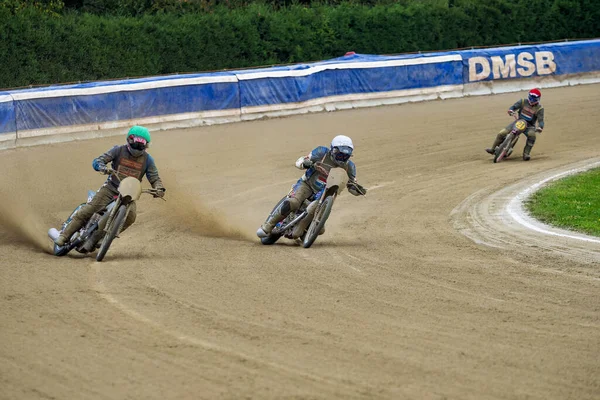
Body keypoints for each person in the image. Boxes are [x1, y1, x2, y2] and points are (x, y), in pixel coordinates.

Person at [54, 126, 165, 246]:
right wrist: (101, 166)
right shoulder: (118, 150)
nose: (138, 146)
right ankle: (64, 235)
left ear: (146, 145)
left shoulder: (148, 160)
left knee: (130, 217)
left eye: (141, 144)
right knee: (89, 209)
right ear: (130, 139)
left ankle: (105, 237)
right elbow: (99, 160)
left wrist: (159, 189)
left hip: (130, 194)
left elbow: (155, 178)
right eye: (136, 142)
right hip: (111, 188)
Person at [256, 135, 367, 238]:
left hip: (325, 194)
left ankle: (303, 230)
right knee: (293, 202)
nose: (342, 158)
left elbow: (352, 184)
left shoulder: (350, 166)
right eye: (340, 154)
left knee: (321, 230)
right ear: (333, 150)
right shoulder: (321, 152)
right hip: (307, 184)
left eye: (345, 156)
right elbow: (300, 161)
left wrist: (357, 190)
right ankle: (268, 226)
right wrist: (306, 163)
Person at [485, 88, 545, 161]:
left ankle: (526, 154)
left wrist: (540, 127)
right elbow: (514, 107)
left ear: (538, 99)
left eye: (534, 99)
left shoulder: (540, 108)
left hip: (529, 126)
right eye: (531, 98)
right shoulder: (522, 101)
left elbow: (541, 120)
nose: (532, 101)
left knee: (532, 137)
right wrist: (511, 110)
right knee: (502, 133)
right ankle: (493, 149)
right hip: (518, 122)